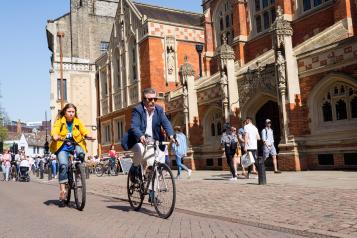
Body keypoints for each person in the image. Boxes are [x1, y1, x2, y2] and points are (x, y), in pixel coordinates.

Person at [121, 88, 175, 201]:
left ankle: (152, 194)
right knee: (140, 149)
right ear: (144, 99)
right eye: (150, 99)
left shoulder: (159, 110)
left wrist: (171, 135)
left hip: (152, 141)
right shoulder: (138, 110)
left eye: (155, 99)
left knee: (153, 167)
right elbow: (134, 126)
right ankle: (134, 169)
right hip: (137, 140)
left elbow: (166, 123)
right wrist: (140, 136)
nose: (153, 102)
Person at [50, 103, 95, 204]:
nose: (71, 114)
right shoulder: (59, 122)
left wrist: (88, 136)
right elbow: (55, 130)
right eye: (69, 111)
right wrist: (55, 136)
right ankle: (63, 189)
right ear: (64, 112)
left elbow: (83, 130)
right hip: (62, 147)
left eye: (73, 112)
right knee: (63, 165)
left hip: (76, 144)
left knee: (81, 155)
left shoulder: (77, 122)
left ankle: (79, 173)